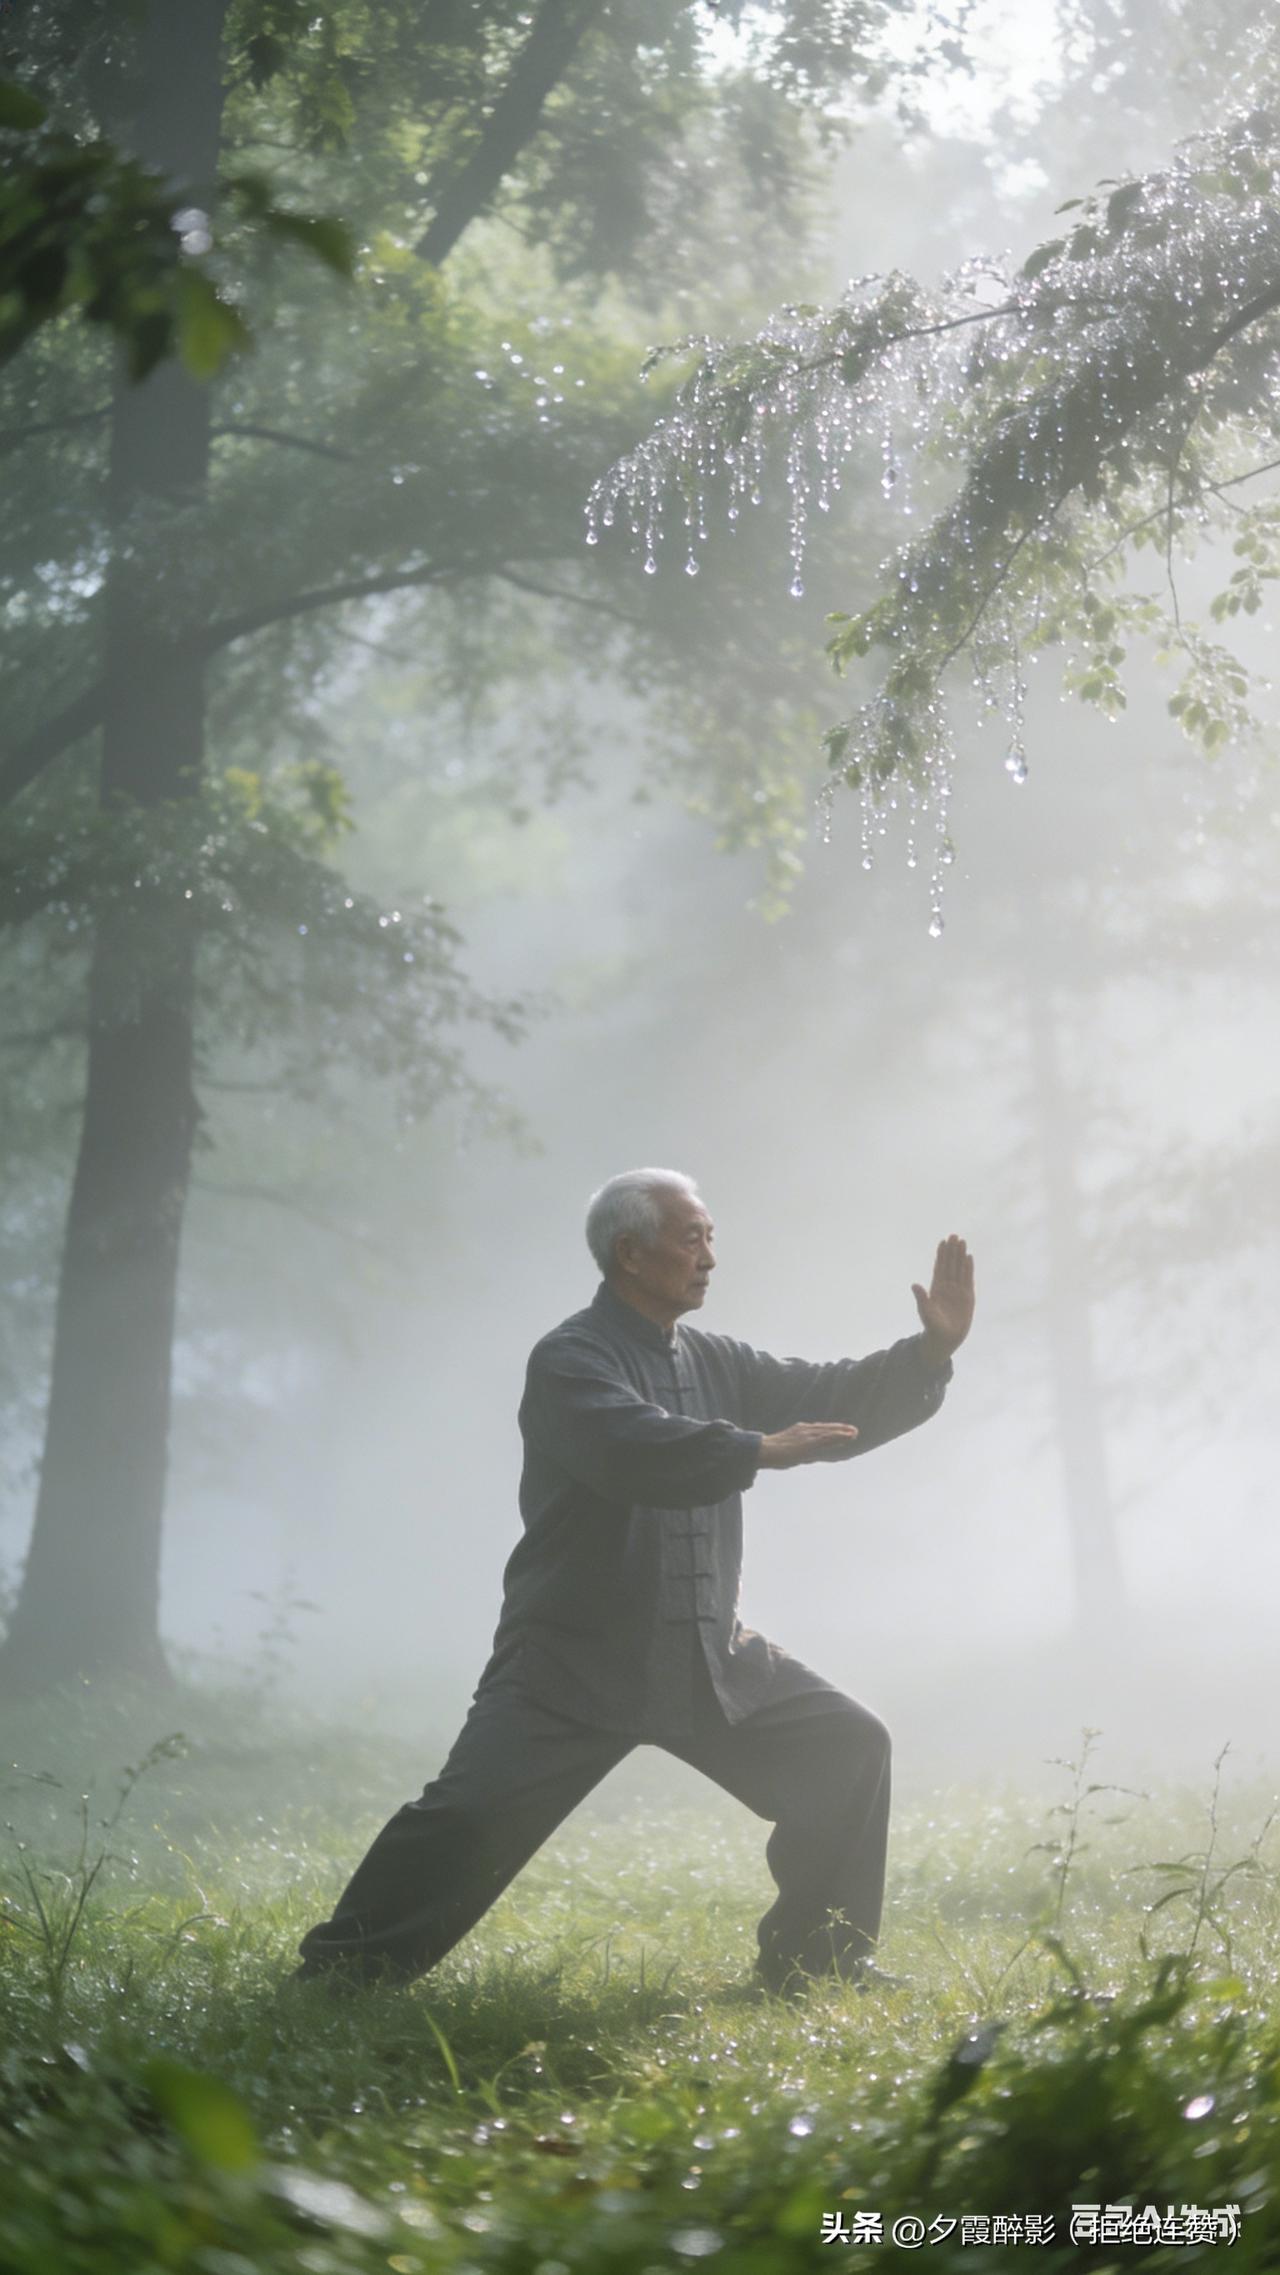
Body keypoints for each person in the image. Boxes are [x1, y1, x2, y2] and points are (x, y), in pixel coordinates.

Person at [297, 1169, 975, 1995]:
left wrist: (928, 1352)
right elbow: (632, 1446)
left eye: (710, 1237)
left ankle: (817, 1961)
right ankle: (341, 1975)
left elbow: (825, 1394)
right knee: (466, 1815)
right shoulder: (569, 1359)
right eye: (692, 1238)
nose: (710, 1258)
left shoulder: (717, 1358)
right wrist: (755, 1449)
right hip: (572, 1661)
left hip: (707, 1653)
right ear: (630, 1252)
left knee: (849, 1743)